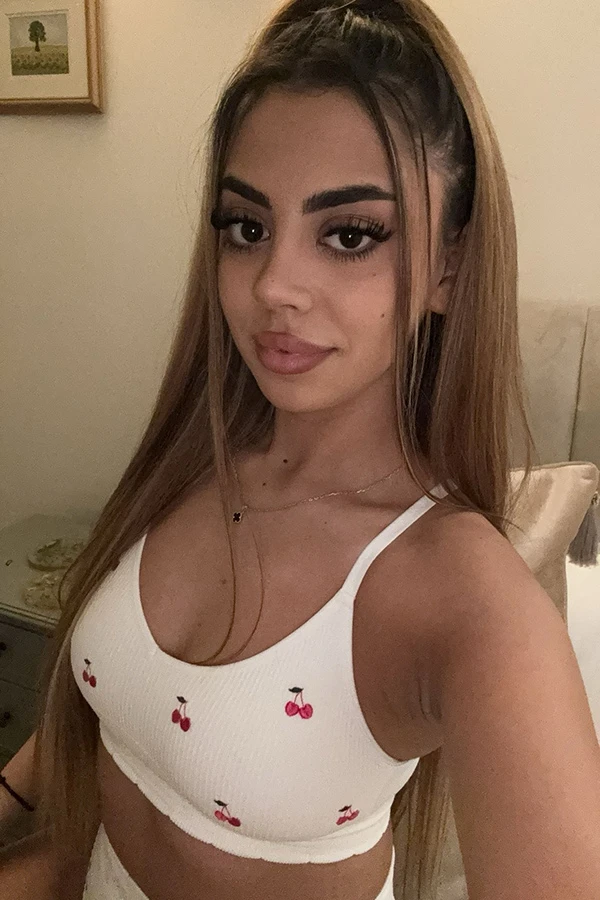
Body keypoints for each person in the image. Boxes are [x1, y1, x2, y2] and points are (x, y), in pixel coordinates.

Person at [2, 1, 600, 898]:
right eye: (247, 227)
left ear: (449, 266)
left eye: (350, 235)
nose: (274, 285)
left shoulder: (473, 608)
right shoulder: (195, 454)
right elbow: (100, 718)